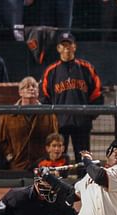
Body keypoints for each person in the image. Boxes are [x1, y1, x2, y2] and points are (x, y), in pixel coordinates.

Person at [40, 32, 104, 172]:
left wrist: (90, 115)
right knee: (58, 157)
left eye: (69, 45)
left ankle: (85, 184)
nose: (67, 48)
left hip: (82, 122)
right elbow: (44, 97)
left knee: (84, 158)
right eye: (63, 45)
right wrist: (52, 119)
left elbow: (97, 93)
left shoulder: (87, 68)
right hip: (60, 123)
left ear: (74, 47)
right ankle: (60, 184)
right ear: (58, 48)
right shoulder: (51, 71)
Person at [0, 76, 58, 171]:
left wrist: (48, 157)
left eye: (34, 86)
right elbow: (2, 140)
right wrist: (10, 156)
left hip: (42, 164)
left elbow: (54, 137)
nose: (31, 88)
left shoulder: (49, 114)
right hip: (18, 164)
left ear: (38, 92)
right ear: (20, 92)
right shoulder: (8, 115)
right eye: (27, 86)